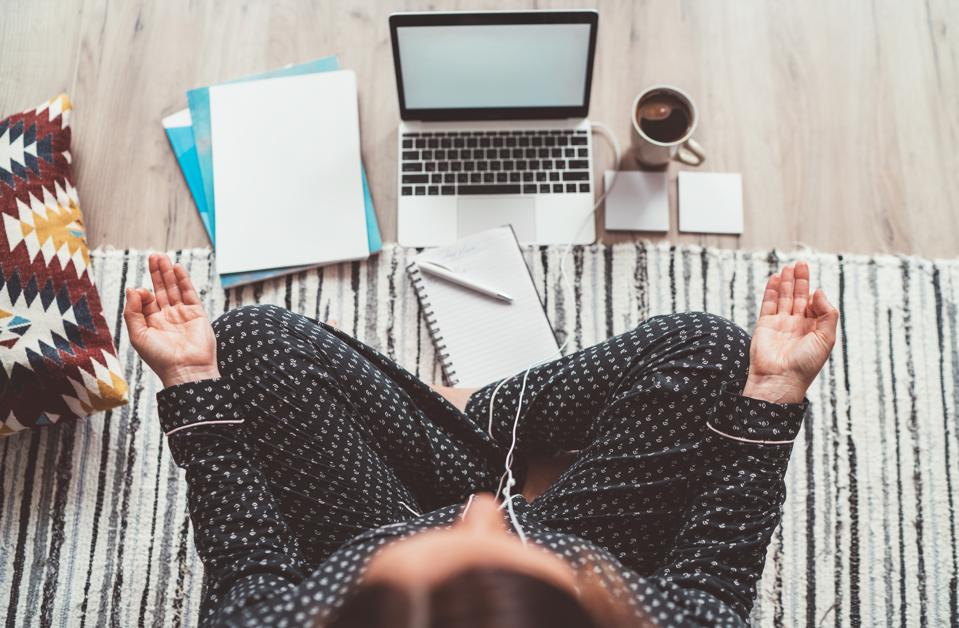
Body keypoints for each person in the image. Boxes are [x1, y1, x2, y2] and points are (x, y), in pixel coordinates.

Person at [124, 254, 838, 627]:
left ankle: (465, 425)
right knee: (711, 351)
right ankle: (485, 423)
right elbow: (715, 572)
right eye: (499, 544)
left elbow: (248, 559)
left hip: (373, 516)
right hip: (597, 541)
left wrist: (189, 377)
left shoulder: (277, 620)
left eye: (402, 568)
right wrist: (774, 392)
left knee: (251, 341)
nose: (480, 513)